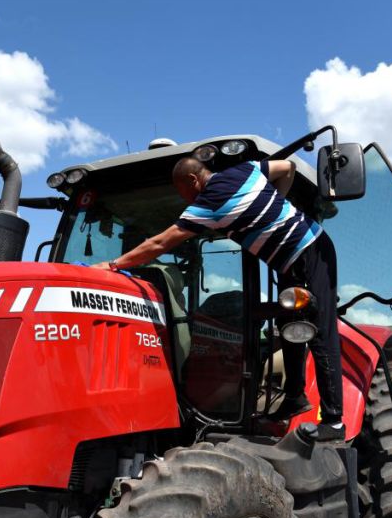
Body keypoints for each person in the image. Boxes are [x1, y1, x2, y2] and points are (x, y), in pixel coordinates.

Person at [93, 156, 344, 439]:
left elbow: (160, 243)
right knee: (289, 326)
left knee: (320, 330)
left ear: (192, 181)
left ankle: (334, 421)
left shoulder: (209, 203)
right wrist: (274, 208)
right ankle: (295, 396)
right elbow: (287, 167)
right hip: (289, 260)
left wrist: (113, 265)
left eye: (181, 191)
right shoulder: (246, 170)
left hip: (309, 247)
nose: (183, 198)